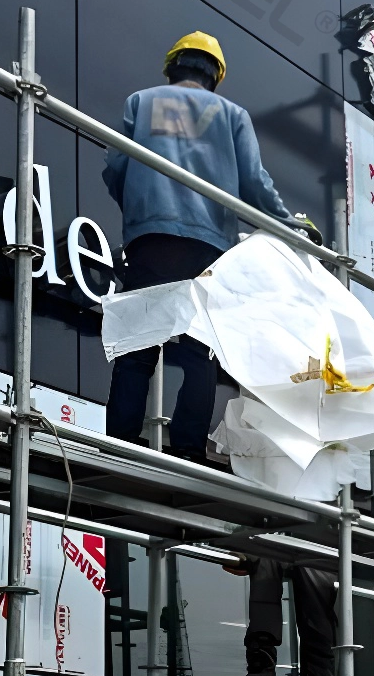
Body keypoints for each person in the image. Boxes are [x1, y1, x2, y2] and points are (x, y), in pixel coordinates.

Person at [102, 32, 314, 461]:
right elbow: (254, 182)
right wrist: (290, 225)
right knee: (200, 352)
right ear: (215, 74)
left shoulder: (141, 102)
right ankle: (188, 448)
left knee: (137, 347)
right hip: (207, 245)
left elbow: (115, 168)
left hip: (151, 240)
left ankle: (120, 443)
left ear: (173, 65)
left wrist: (144, 211)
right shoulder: (231, 115)